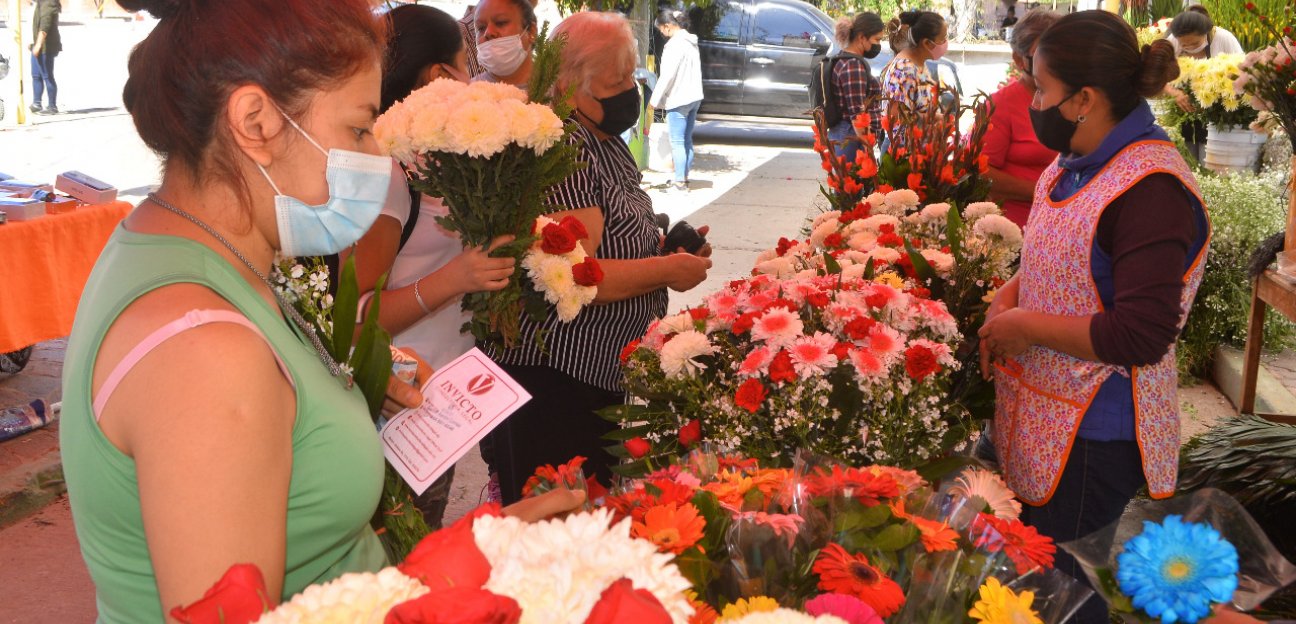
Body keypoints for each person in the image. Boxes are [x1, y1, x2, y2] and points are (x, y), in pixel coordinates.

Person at [60, 0, 578, 620]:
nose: (375, 152)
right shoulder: (203, 353)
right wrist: (457, 567)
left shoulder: (197, 250)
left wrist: (344, 386)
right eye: (359, 128)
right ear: (255, 122)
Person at [978, 11, 1209, 624]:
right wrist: (1012, 290)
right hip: (1039, 410)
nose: (1033, 102)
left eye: (1041, 89)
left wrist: (1024, 327)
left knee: (1064, 596)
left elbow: (1140, 333)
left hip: (1092, 437)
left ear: (1083, 98)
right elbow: (1062, 251)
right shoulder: (1076, 156)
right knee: (1020, 580)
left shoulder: (1150, 190)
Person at [485, 11, 714, 505]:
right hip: (559, 385)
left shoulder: (605, 142)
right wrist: (668, 271)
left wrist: (665, 244)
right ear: (569, 87)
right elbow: (577, 277)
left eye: (631, 76)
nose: (630, 90)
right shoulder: (564, 146)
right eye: (616, 81)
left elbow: (615, 236)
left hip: (596, 376)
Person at [353, 3, 517, 527]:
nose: (475, 78)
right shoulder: (386, 167)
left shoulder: (441, 157)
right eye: (466, 63)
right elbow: (355, 316)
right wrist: (455, 279)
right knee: (390, 559)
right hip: (391, 405)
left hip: (441, 401)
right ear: (439, 75)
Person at [982, 9, 1060, 227]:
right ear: (1019, 59)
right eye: (1044, 56)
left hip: (1066, 223)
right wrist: (1046, 192)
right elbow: (983, 175)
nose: (1056, 64)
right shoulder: (1000, 105)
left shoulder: (1076, 98)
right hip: (1017, 230)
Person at [1163, 8, 1244, 163]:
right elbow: (1156, 75)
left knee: (1213, 159)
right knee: (1188, 156)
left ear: (1206, 33)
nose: (1190, 48)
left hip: (1221, 112)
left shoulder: (1223, 38)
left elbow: (1243, 73)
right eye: (1184, 45)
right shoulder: (1172, 41)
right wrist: (1175, 93)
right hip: (1185, 113)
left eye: (1195, 43)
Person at [649, 9, 704, 192]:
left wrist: (654, 100)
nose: (662, 34)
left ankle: (679, 182)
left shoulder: (674, 46)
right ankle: (684, 178)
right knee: (687, 140)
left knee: (678, 142)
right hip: (695, 97)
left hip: (679, 98)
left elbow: (667, 77)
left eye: (661, 30)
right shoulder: (691, 42)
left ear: (668, 26)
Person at [827, 12, 886, 164]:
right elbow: (857, 114)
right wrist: (868, 146)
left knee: (846, 186)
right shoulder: (853, 66)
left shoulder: (845, 59)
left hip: (847, 134)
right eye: (876, 39)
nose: (878, 45)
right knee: (850, 186)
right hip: (852, 137)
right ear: (861, 37)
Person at [882, 11, 947, 141]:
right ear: (927, 43)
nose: (946, 42)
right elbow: (895, 118)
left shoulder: (918, 64)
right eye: (943, 39)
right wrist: (932, 117)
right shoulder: (905, 70)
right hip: (903, 152)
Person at [472, 0, 537, 88]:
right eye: (481, 28)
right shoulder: (466, 95)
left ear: (531, 32)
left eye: (500, 22)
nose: (488, 32)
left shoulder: (557, 89)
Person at [29, 0, 61, 115]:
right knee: (36, 75)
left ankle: (52, 106)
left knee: (47, 76)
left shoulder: (49, 2)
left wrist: (38, 45)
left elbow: (44, 26)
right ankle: (37, 103)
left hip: (45, 47)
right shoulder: (39, 3)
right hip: (37, 44)